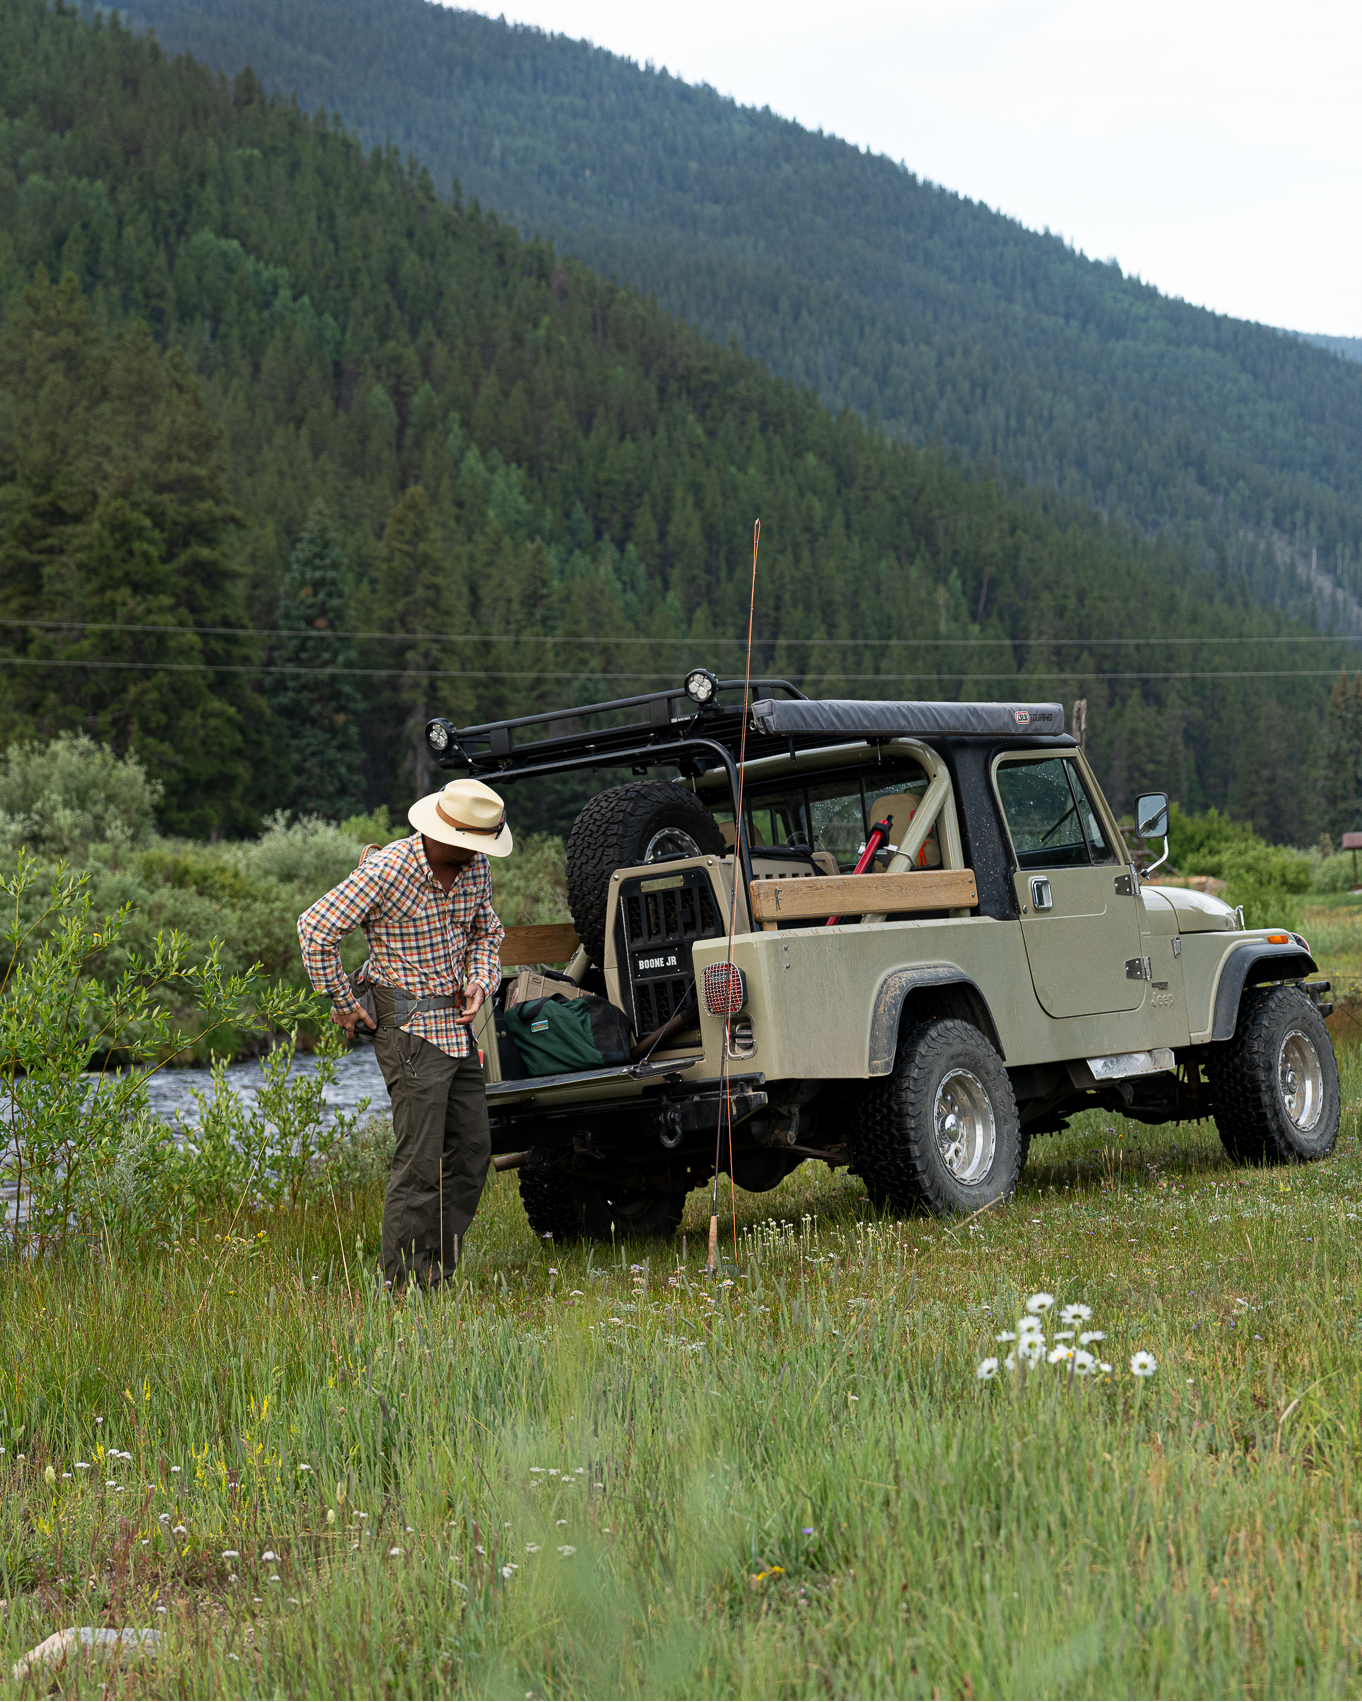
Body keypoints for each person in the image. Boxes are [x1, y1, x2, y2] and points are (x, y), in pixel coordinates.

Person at [297, 777, 510, 1291]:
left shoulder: (472, 868)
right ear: (451, 833)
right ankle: (404, 1288)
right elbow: (314, 928)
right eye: (476, 844)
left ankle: (434, 1272)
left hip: (458, 1033)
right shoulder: (389, 869)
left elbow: (488, 933)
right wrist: (344, 1004)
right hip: (409, 1032)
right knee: (419, 1162)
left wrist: (480, 981)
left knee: (473, 1151)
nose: (481, 855)